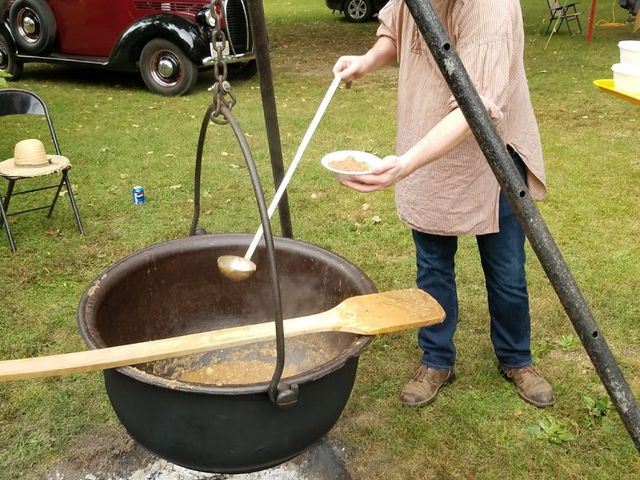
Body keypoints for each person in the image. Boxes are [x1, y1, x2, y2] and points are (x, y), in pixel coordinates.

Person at [332, 0, 555, 408]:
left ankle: (516, 358)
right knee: (433, 266)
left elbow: (475, 108)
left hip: (492, 150)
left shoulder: (490, 8)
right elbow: (398, 30)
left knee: (506, 271)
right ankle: (436, 359)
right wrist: (366, 61)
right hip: (429, 141)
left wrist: (404, 165)